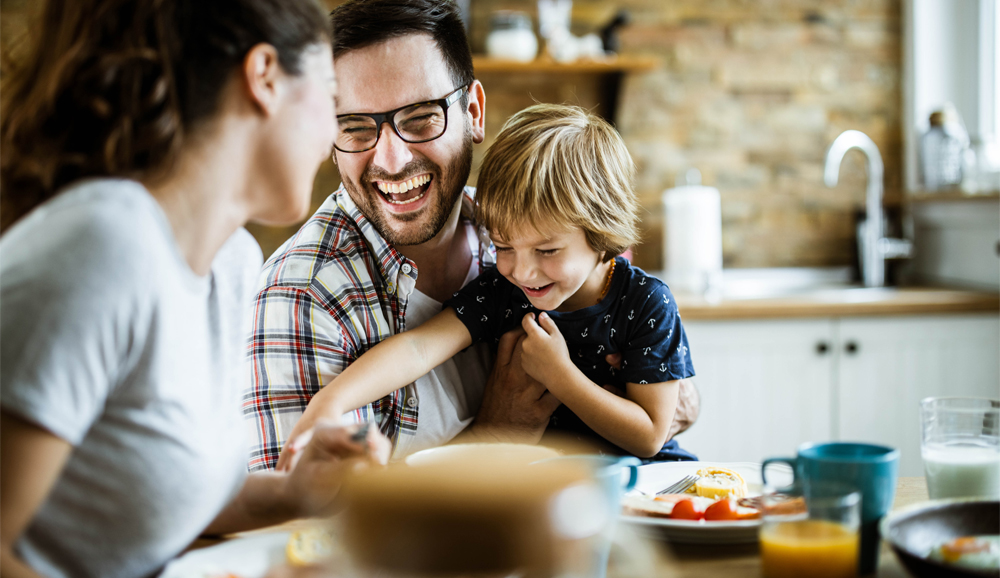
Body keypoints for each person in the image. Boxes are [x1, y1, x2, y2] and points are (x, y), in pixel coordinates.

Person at [0, 1, 389, 577]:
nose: (334, 133)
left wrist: (296, 493)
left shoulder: (230, 264)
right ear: (264, 77)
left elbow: (156, 496)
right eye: (332, 99)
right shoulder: (104, 246)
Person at [247, 0, 699, 471]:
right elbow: (314, 528)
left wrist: (649, 389)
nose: (393, 160)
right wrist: (501, 433)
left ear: (474, 112)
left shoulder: (513, 225)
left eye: (420, 116)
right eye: (355, 127)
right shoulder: (303, 296)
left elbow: (663, 412)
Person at [280, 103, 695, 460]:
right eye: (504, 246)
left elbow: (650, 436)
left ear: (602, 234)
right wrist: (330, 402)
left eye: (547, 251)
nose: (523, 271)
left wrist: (560, 375)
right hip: (547, 491)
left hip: (643, 487)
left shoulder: (645, 302)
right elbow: (419, 347)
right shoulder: (504, 291)